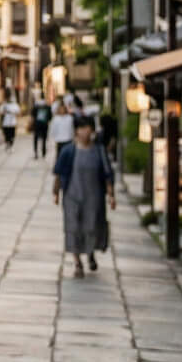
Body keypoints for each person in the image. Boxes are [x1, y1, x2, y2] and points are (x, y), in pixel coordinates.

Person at [54, 114, 118, 275]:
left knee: (91, 227)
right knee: (73, 227)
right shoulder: (68, 150)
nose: (84, 132)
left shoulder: (99, 150)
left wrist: (111, 195)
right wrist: (55, 192)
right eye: (81, 128)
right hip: (72, 195)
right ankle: (77, 262)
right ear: (76, 131)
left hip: (94, 196)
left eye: (87, 128)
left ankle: (90, 254)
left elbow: (107, 174)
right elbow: (59, 173)